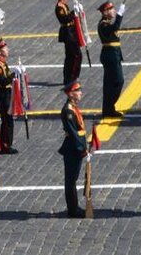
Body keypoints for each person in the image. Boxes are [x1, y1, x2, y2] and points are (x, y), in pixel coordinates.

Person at [58, 80, 90, 218]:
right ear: (71, 94)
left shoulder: (73, 107)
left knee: (73, 178)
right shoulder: (68, 111)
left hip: (76, 147)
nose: (80, 93)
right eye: (77, 91)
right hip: (72, 148)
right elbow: (73, 133)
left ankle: (74, 206)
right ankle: (72, 209)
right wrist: (82, 150)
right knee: (70, 180)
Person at [97, 0, 126, 118]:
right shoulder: (103, 24)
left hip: (114, 54)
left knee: (109, 84)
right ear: (104, 12)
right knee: (118, 81)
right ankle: (109, 107)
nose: (113, 11)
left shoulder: (106, 23)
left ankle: (108, 109)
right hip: (110, 55)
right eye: (110, 9)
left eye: (113, 9)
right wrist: (120, 15)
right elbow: (115, 27)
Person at [0, 40, 18, 154]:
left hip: (6, 94)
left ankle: (7, 143)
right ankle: (5, 145)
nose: (7, 50)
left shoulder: (3, 63)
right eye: (5, 48)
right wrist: (13, 75)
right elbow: (3, 81)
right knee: (6, 121)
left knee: (8, 120)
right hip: (2, 95)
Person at [54, 0, 83, 85]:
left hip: (71, 31)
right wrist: (74, 12)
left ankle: (69, 77)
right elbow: (65, 19)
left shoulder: (64, 5)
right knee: (76, 55)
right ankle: (73, 77)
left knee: (70, 57)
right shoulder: (59, 7)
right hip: (68, 33)